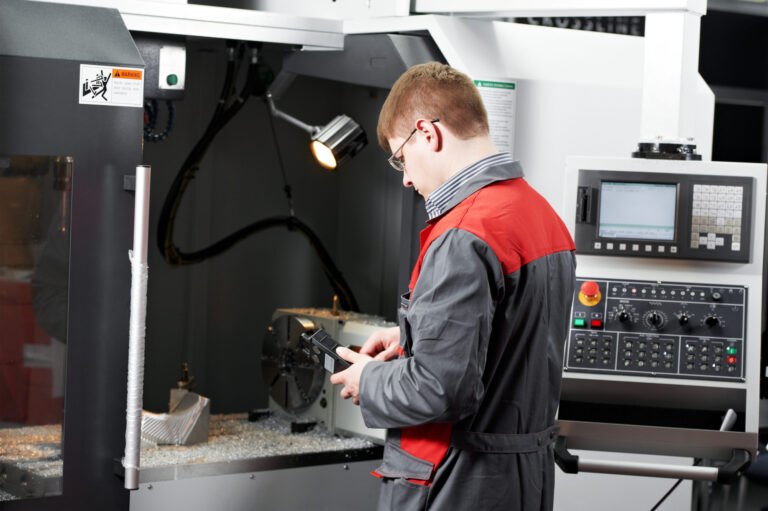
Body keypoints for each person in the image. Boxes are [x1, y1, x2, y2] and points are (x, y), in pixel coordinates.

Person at [330, 62, 576, 511]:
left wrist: (370, 380)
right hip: (523, 480)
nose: (404, 178)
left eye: (400, 158)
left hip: (458, 483)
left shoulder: (465, 233)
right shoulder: (542, 216)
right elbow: (505, 349)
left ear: (428, 133)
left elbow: (441, 389)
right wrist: (410, 338)